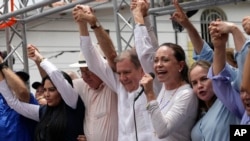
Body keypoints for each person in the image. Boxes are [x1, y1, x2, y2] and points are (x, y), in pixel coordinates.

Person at [73, 4, 158, 141]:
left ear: (141, 69)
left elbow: (147, 51)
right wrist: (83, 24)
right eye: (119, 73)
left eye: (127, 72)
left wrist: (141, 16)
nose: (122, 78)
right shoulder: (119, 86)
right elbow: (91, 59)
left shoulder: (154, 84)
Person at [132, 1, 198, 140]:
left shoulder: (186, 94)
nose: (158, 65)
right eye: (156, 61)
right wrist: (145, 16)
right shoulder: (163, 86)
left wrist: (150, 94)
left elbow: (162, 130)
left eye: (165, 60)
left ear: (180, 66)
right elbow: (150, 52)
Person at [0, 47, 85, 141]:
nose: (46, 94)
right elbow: (13, 103)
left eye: (52, 90)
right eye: (45, 90)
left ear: (62, 90)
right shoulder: (43, 111)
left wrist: (40, 59)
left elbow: (57, 77)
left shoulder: (72, 104)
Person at [204, 17, 250, 124]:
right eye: (242, 91)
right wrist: (219, 47)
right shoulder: (245, 114)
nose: (245, 96)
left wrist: (234, 30)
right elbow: (220, 83)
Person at [189, 60, 240, 141]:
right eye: (194, 83)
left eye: (204, 79)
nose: (199, 86)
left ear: (214, 78)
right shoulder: (198, 112)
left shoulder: (229, 101)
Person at [0, 55, 38, 141]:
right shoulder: (1, 101)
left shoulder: (28, 100)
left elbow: (21, 92)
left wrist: (2, 64)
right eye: (14, 82)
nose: (17, 85)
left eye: (22, 82)